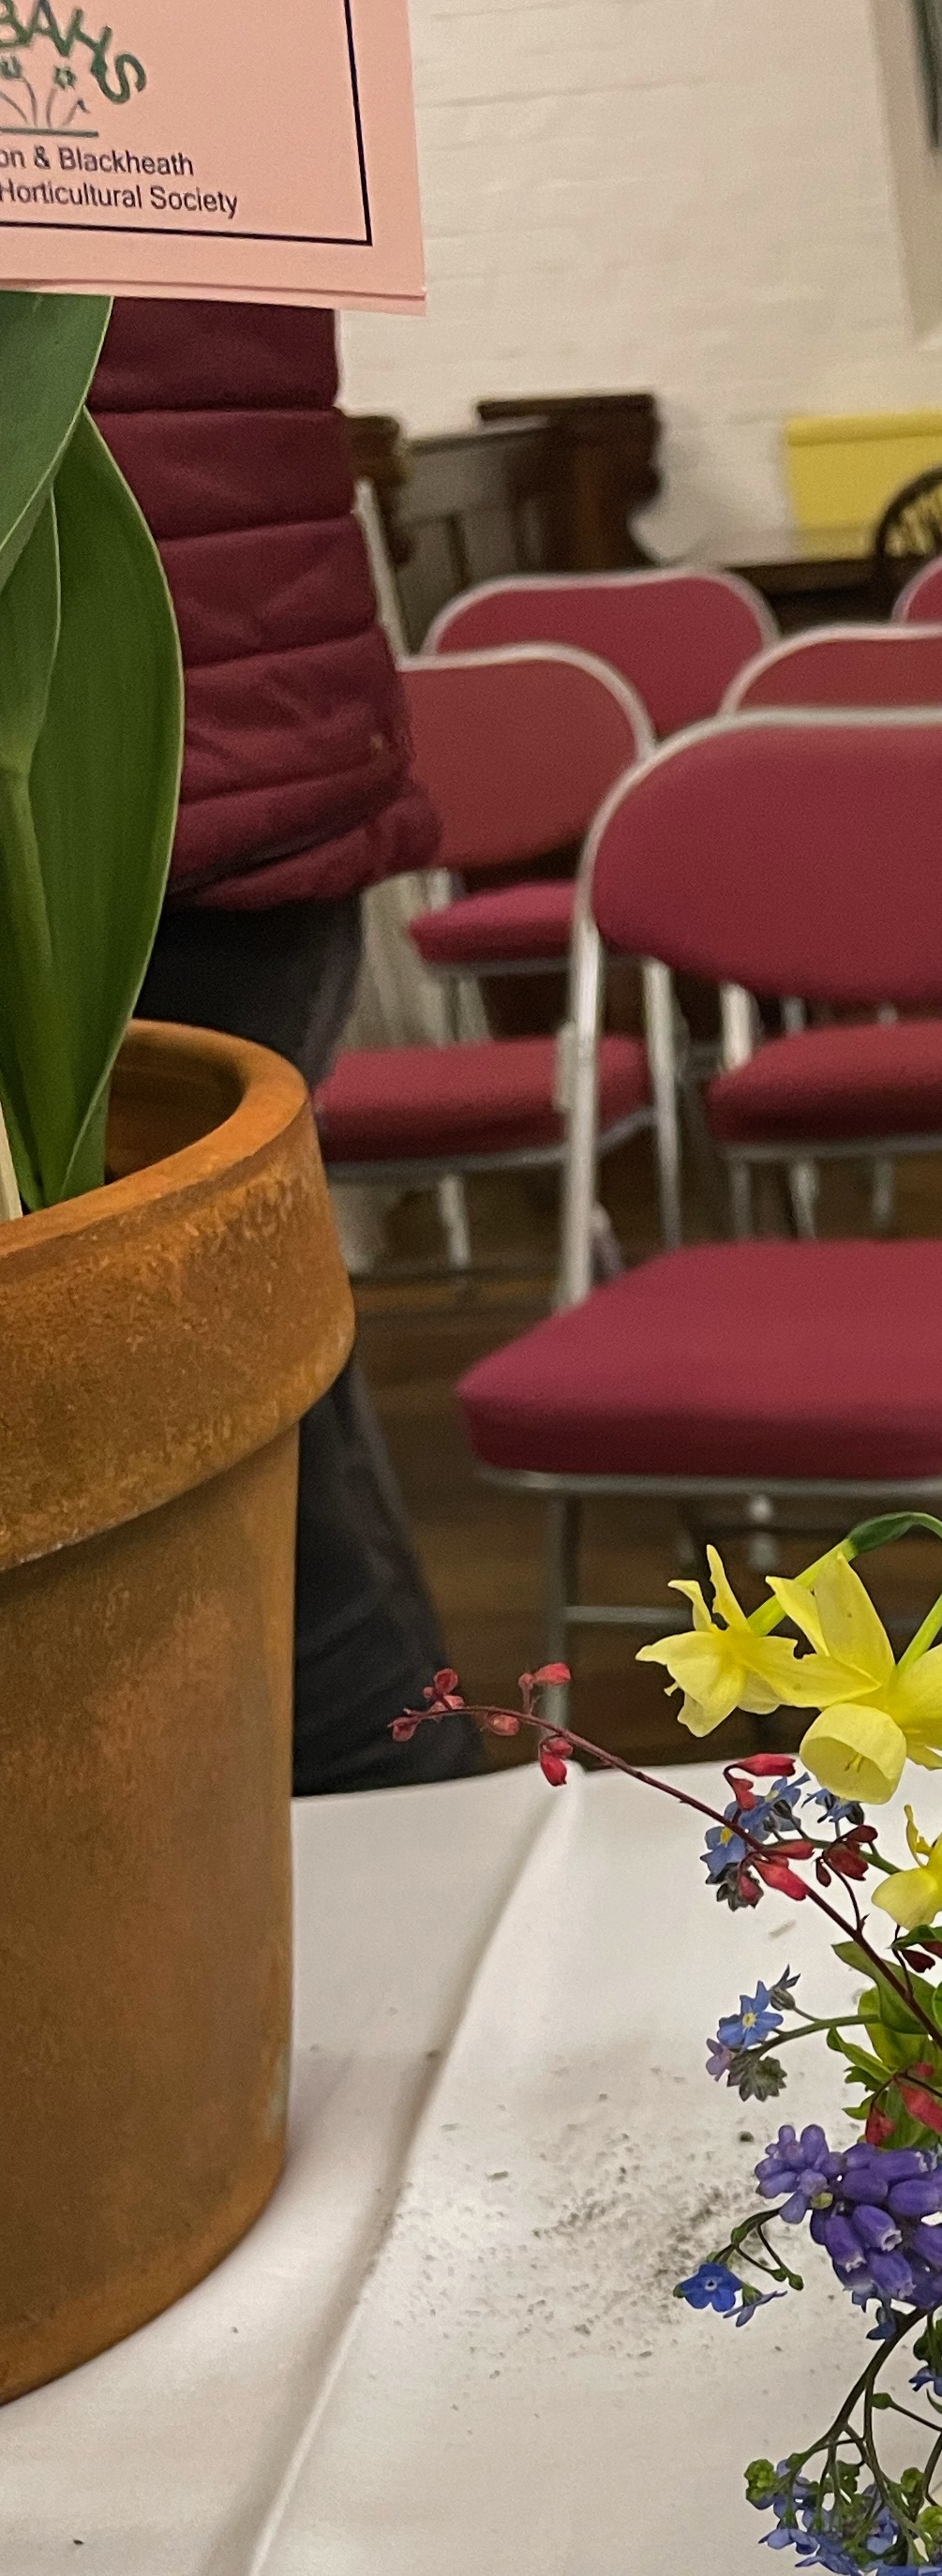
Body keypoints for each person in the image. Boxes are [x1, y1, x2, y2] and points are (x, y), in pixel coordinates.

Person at [90, 305, 486, 1790]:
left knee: (223, 1425)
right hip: (230, 727)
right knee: (239, 1415)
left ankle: (386, 1821)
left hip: (166, 763)